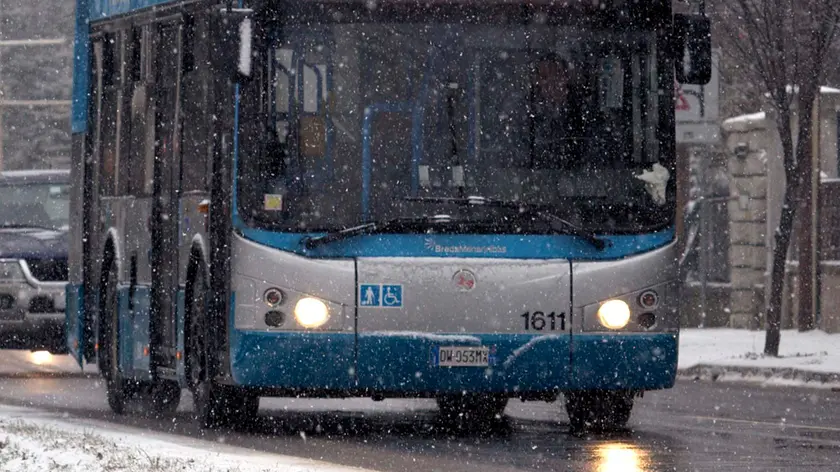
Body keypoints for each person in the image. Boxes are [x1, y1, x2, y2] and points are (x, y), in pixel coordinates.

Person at [530, 53, 584, 168]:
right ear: (537, 82)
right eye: (544, 77)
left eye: (556, 75)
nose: (551, 82)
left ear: (566, 78)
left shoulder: (583, 110)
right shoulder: (528, 112)